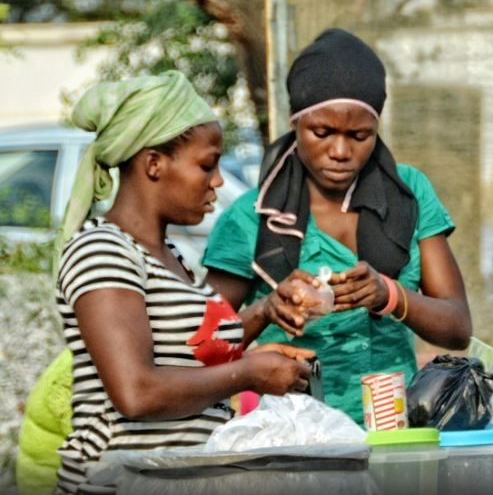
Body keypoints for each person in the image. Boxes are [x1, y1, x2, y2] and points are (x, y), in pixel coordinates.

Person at [47, 71, 319, 495]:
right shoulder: (103, 251)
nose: (218, 181)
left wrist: (264, 312)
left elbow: (195, 356)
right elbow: (136, 392)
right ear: (154, 163)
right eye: (206, 165)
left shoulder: (170, 258)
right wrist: (248, 373)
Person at [202, 28, 472, 425]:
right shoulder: (252, 217)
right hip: (294, 439)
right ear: (295, 124)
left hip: (393, 430)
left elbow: (457, 327)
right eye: (322, 133)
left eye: (360, 135)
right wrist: (265, 310)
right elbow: (203, 347)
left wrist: (390, 295)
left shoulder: (409, 194)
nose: (341, 152)